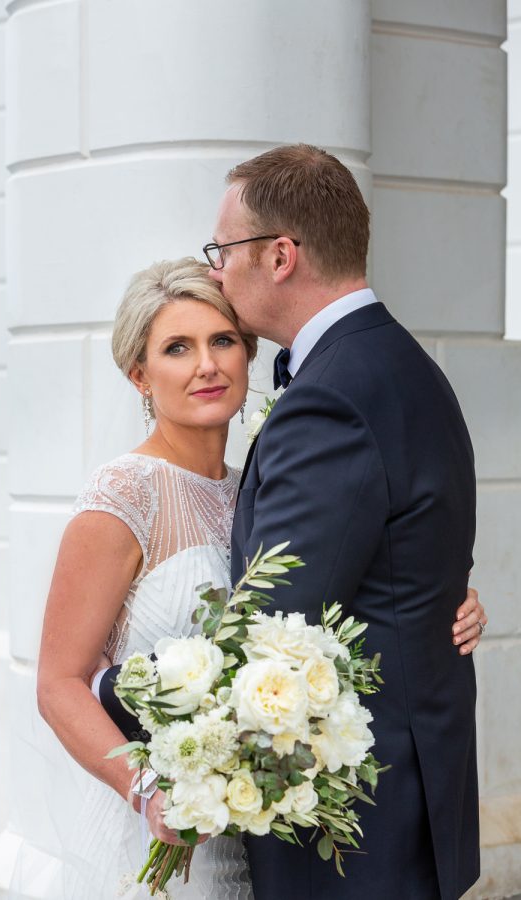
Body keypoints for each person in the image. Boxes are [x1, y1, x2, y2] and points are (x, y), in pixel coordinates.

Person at [204, 144, 482, 900]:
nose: (215, 272)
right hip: (413, 788)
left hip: (355, 826)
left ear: (280, 256)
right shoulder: (404, 364)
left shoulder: (332, 396)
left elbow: (276, 624)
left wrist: (115, 696)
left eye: (222, 250)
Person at [36, 258, 256, 899]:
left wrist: (447, 595)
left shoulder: (254, 488)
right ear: (140, 375)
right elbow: (58, 684)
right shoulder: (125, 493)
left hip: (246, 828)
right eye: (177, 348)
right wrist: (149, 792)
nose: (207, 365)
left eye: (223, 341)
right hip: (153, 835)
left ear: (248, 353)